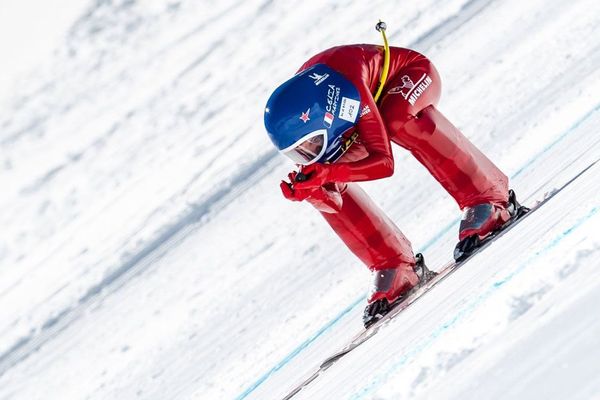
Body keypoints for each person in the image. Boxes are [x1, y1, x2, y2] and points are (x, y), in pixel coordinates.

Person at [263, 43, 525, 327]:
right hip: (358, 112)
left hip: (409, 76)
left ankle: (490, 197)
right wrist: (312, 193)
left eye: (311, 143)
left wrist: (327, 172)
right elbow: (331, 190)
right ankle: (393, 263)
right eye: (299, 152)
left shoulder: (348, 90)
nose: (308, 153)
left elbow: (384, 163)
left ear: (325, 117)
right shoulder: (319, 111)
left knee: (396, 117)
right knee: (318, 180)